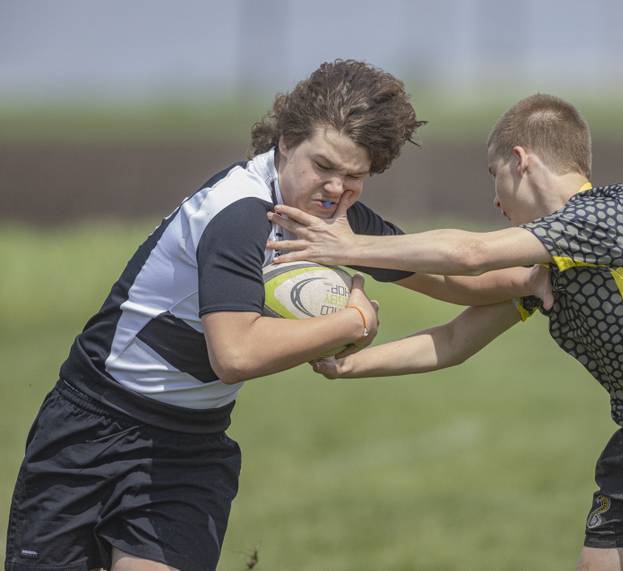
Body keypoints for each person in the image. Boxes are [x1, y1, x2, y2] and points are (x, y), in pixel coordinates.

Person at [4, 61, 552, 571]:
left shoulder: (335, 218)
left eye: (355, 176)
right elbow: (235, 355)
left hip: (189, 450)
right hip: (92, 431)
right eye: (323, 166)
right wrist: (352, 322)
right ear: (286, 143)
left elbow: (462, 280)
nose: (336, 189)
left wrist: (542, 274)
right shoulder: (238, 214)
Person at [267, 93, 623, 570]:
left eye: (494, 175)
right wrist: (346, 364)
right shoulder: (547, 268)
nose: (496, 202)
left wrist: (348, 246)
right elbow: (452, 342)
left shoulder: (609, 215)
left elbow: (469, 255)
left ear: (520, 161)